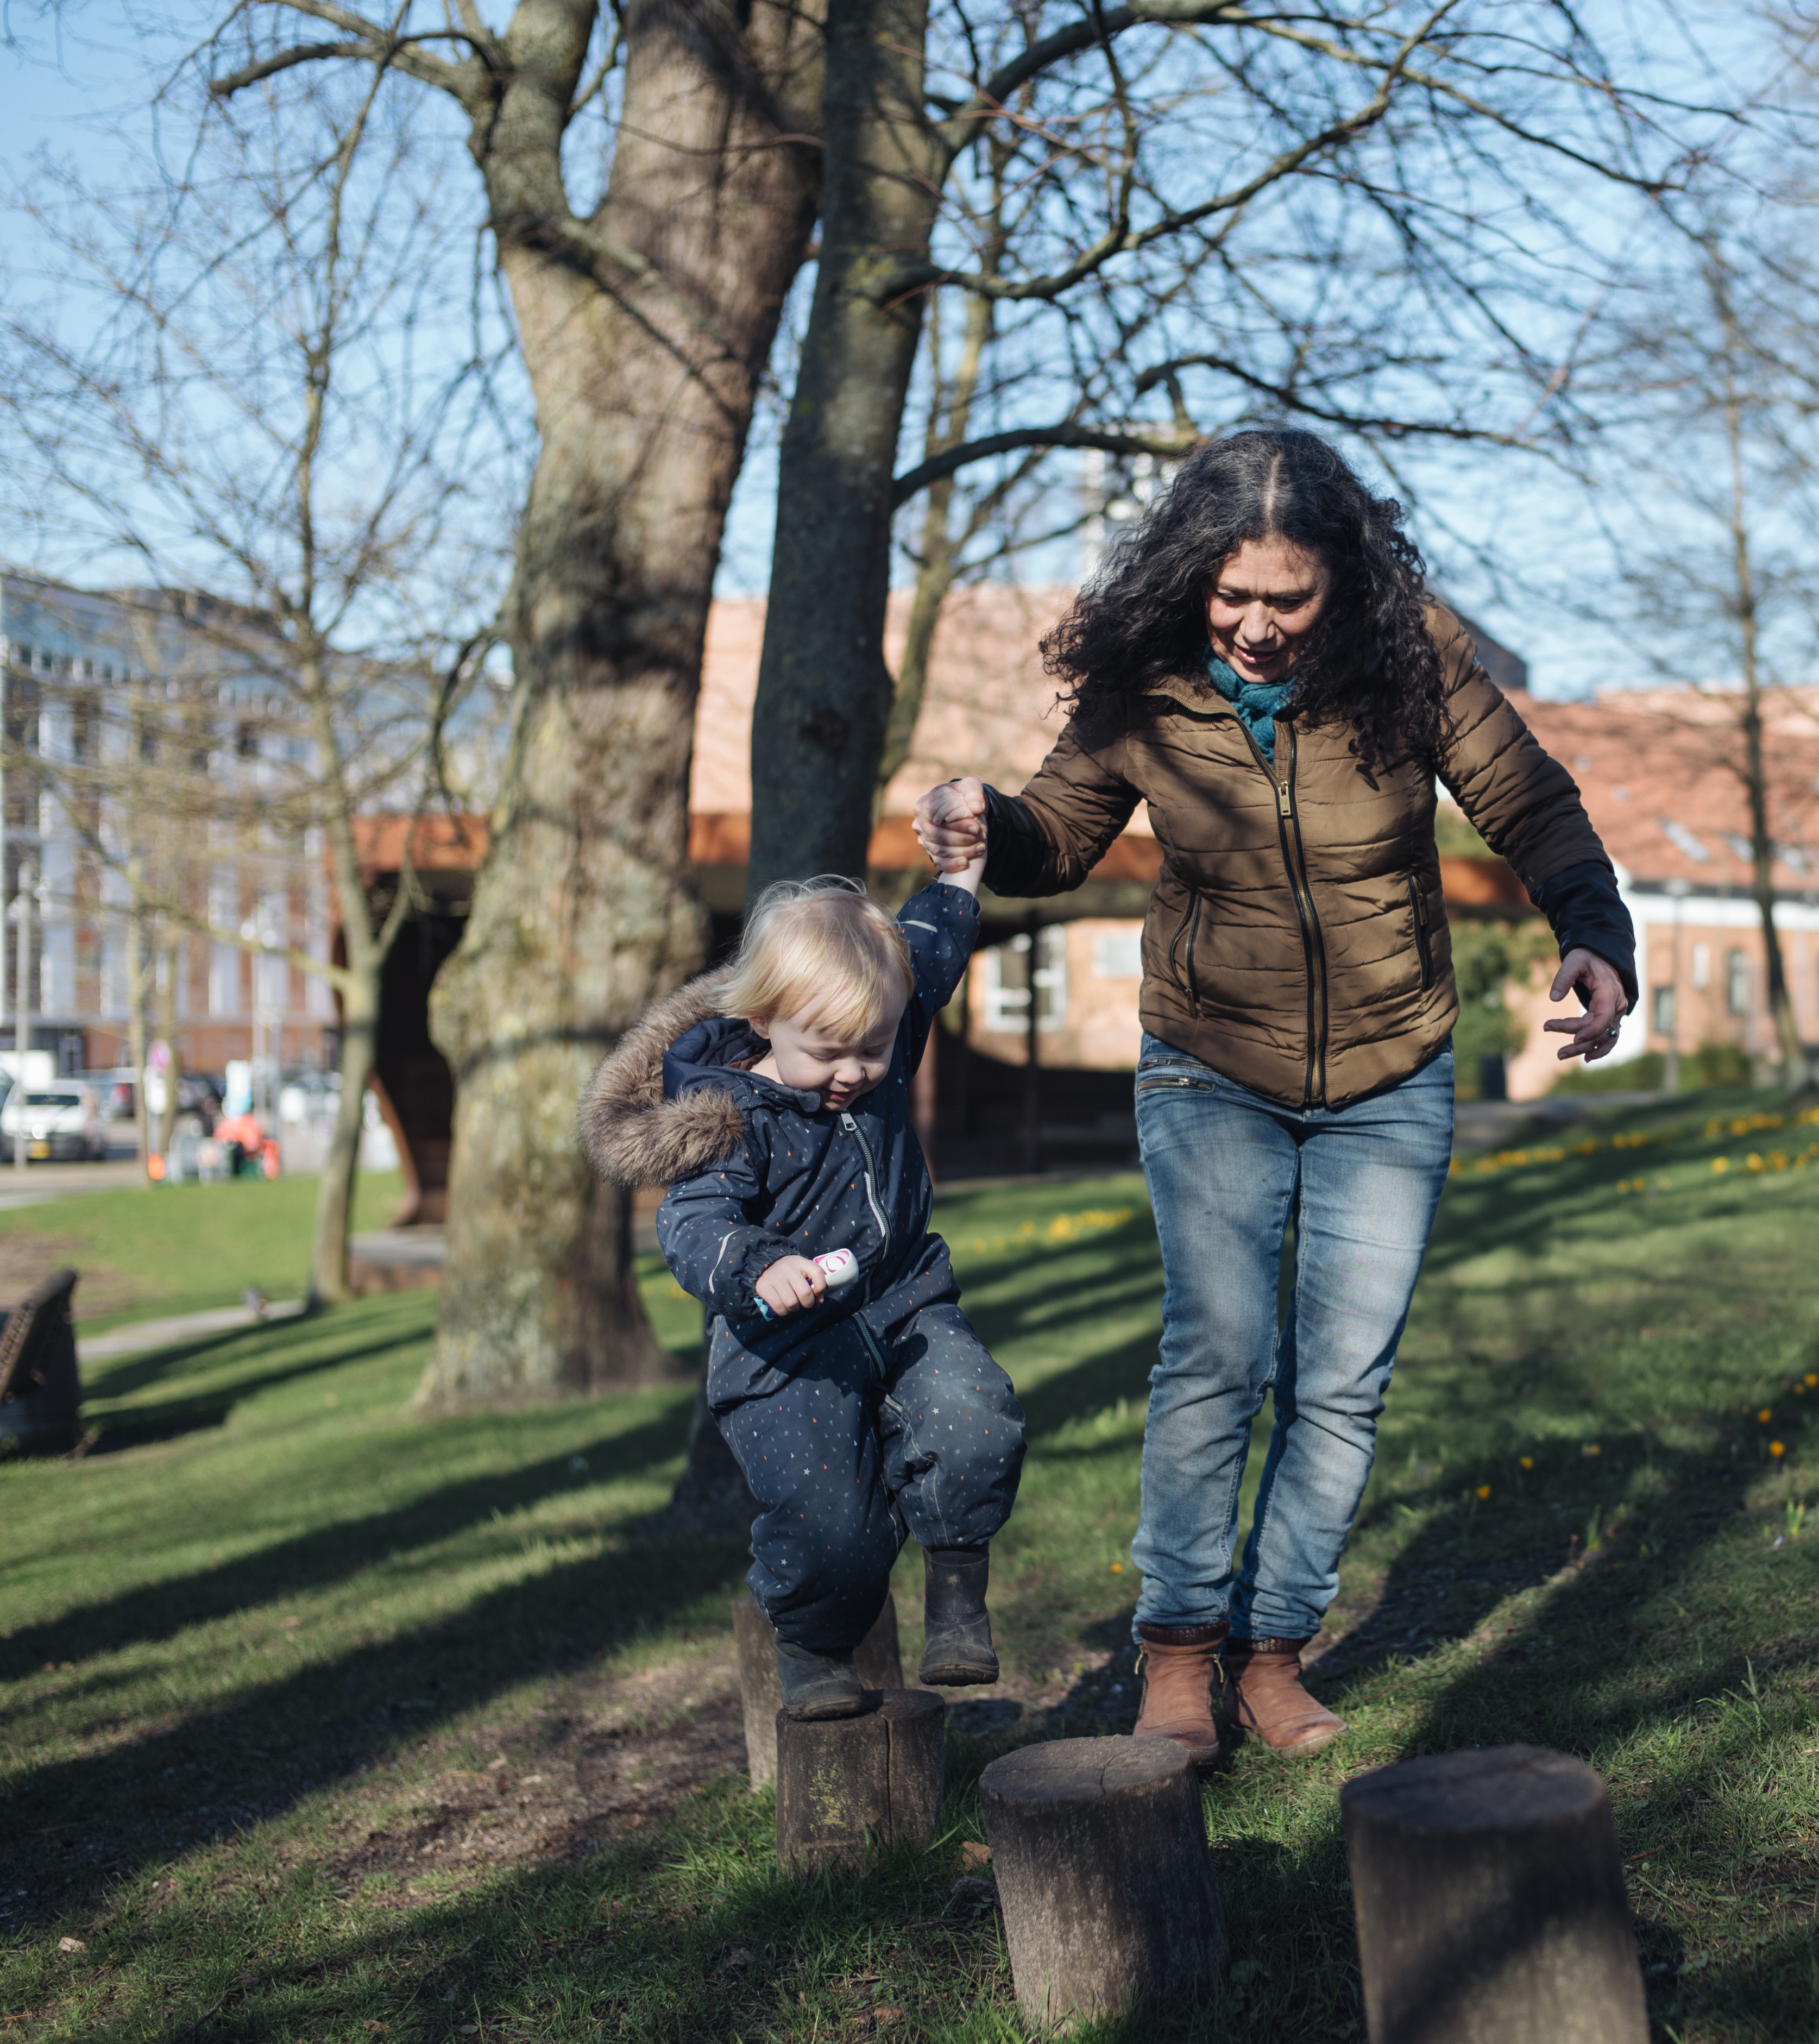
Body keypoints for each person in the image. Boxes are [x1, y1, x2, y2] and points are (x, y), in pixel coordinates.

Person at [917, 427, 1635, 1765]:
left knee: (1342, 1382)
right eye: (1230, 595)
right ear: (1192, 574)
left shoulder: (1409, 653)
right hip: (1210, 1062)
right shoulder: (1145, 681)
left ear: (1342, 583)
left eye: (1286, 600)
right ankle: (1179, 1652)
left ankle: (1274, 1649)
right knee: (1220, 1352)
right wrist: (986, 824)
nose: (1253, 626)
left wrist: (1594, 926)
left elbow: (1526, 801)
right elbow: (1061, 833)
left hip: (1393, 1063)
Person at [581, 867, 1028, 1714]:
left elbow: (930, 952)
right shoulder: (726, 1116)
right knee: (829, 1526)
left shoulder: (883, 1035)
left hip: (904, 1302)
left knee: (977, 1419)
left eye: (874, 1047)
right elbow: (692, 1227)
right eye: (827, 1052)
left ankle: (959, 1597)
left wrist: (961, 875)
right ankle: (813, 1647)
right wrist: (757, 1267)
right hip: (784, 1349)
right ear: (762, 1023)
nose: (854, 1072)